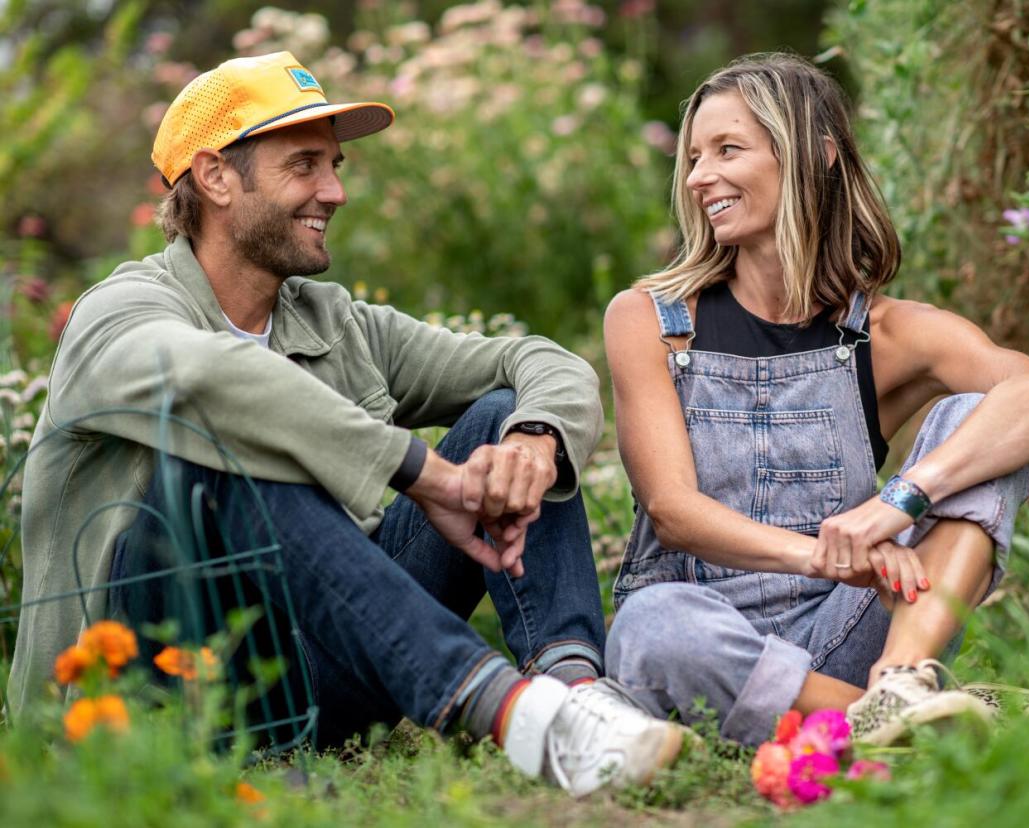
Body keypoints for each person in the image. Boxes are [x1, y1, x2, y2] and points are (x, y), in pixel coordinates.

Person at [8, 51, 683, 796]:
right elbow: (214, 382)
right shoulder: (122, 311)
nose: (335, 190)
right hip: (143, 694)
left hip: (309, 679)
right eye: (305, 165)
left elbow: (538, 361)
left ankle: (576, 696)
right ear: (216, 177)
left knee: (501, 417)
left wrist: (533, 440)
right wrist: (422, 474)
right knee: (214, 463)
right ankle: (508, 711)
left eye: (334, 165)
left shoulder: (334, 322)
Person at [602, 53, 1029, 747]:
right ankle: (902, 720)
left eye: (728, 150)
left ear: (816, 155)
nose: (701, 176)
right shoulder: (653, 319)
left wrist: (900, 500)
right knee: (653, 626)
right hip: (705, 629)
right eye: (695, 157)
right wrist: (821, 554)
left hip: (849, 628)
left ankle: (901, 682)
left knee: (978, 416)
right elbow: (674, 514)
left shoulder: (883, 334)